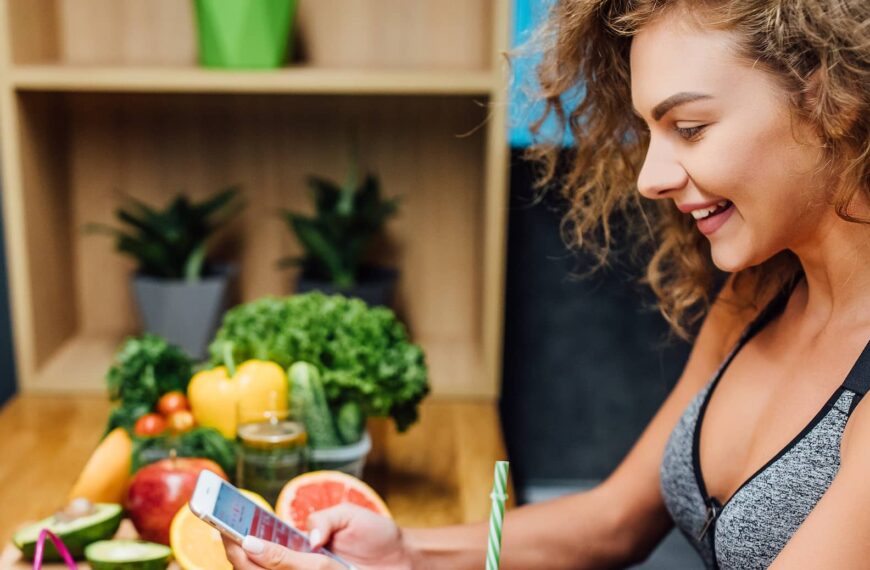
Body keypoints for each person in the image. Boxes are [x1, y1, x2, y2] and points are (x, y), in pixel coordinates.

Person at [222, 0, 870, 568]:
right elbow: (614, 521)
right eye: (648, 132)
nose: (651, 177)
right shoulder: (763, 289)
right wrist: (407, 554)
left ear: (832, 96)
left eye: (690, 129)